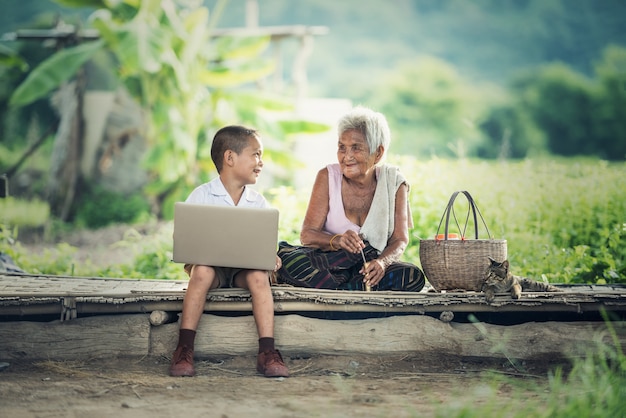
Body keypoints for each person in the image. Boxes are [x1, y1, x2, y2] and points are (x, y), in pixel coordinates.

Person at [169, 125, 289, 378]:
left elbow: (265, 245)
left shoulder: (258, 203)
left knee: (259, 277)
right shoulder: (202, 195)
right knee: (201, 271)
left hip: (241, 271)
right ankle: (184, 348)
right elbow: (186, 239)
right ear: (230, 158)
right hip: (210, 270)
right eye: (255, 154)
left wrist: (271, 256)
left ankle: (267, 352)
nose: (261, 162)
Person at [276, 106, 425, 292]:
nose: (347, 157)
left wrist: (381, 263)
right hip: (330, 262)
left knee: (412, 275)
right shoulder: (327, 177)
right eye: (342, 148)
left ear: (377, 153)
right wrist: (337, 241)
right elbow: (307, 235)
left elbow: (400, 240)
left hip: (366, 267)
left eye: (356, 148)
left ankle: (337, 291)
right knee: (292, 262)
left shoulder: (394, 183)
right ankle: (354, 291)